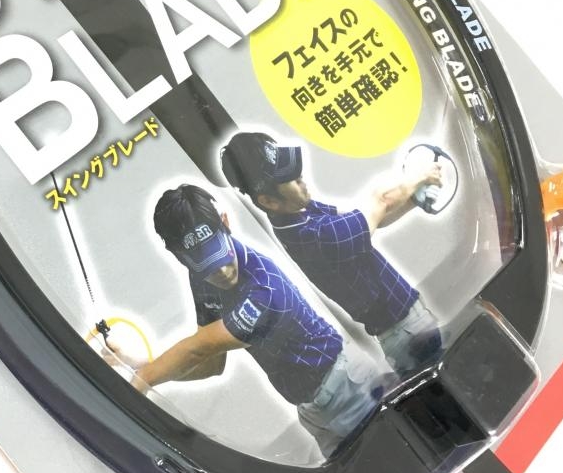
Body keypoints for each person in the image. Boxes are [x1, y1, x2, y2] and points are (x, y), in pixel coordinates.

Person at [110, 184, 390, 457]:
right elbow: (211, 364)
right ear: (182, 259)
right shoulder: (202, 279)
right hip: (313, 409)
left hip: (347, 388)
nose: (221, 271)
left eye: (219, 254)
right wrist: (145, 367)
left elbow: (200, 348)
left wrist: (141, 381)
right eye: (206, 265)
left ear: (225, 222)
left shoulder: (264, 290)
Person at [220, 132, 445, 379]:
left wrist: (414, 199)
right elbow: (380, 202)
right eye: (290, 179)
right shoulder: (312, 237)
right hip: (406, 333)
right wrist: (421, 175)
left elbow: (375, 218)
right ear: (269, 201)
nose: (300, 178)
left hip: (409, 325)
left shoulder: (302, 214)